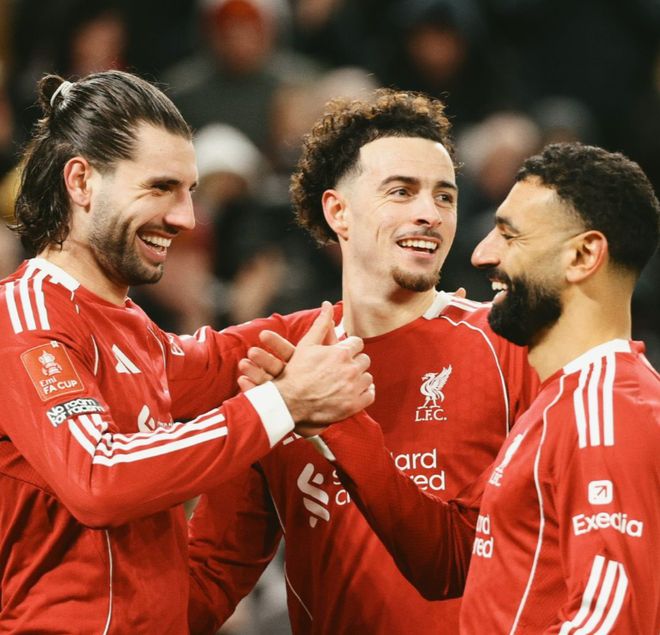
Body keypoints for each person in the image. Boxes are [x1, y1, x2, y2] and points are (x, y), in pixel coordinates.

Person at [0, 70, 374, 632]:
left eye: (189, 191)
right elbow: (99, 477)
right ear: (81, 181)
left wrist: (374, 310)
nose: (185, 218)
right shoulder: (24, 318)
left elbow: (225, 358)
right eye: (160, 188)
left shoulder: (133, 329)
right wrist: (282, 403)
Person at [266, 143, 659, 633]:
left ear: (583, 255)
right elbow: (450, 563)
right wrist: (341, 423)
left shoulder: (608, 411)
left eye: (510, 236)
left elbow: (611, 621)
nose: (480, 254)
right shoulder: (557, 405)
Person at [187, 89, 539, 633]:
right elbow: (212, 575)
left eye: (444, 197)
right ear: (338, 211)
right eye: (401, 192)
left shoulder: (509, 345)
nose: (429, 214)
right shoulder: (281, 362)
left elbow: (518, 549)